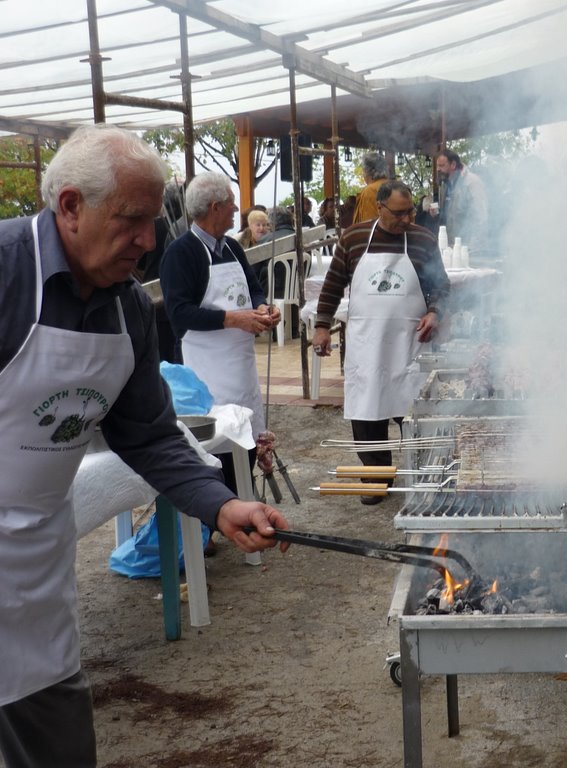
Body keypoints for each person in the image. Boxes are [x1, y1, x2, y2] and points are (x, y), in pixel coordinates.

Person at [0, 124, 289, 768]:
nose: (150, 241)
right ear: (70, 206)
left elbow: (150, 434)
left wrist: (218, 504)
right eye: (131, 220)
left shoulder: (129, 308)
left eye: (154, 221)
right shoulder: (5, 271)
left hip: (31, 574)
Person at [312, 181, 450, 504]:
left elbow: (441, 287)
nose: (406, 219)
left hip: (410, 343)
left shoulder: (423, 240)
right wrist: (321, 326)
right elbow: (332, 285)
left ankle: (423, 476)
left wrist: (435, 313)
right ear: (380, 208)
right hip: (366, 344)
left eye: (410, 212)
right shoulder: (354, 238)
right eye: (399, 213)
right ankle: (376, 476)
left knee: (416, 412)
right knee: (367, 414)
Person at [159, 172, 282, 494]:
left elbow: (254, 289)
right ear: (215, 207)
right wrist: (234, 319)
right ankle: (212, 515)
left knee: (247, 430)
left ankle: (242, 497)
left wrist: (264, 306)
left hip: (239, 361)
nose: (235, 209)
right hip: (205, 364)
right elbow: (179, 313)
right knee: (215, 440)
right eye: (230, 203)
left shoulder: (231, 247)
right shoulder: (180, 252)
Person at [436, 148, 488, 259]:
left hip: (470, 250)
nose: (438, 169)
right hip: (452, 249)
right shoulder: (445, 185)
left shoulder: (472, 182)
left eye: (441, 166)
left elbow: (481, 217)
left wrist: (472, 248)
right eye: (437, 166)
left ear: (453, 164)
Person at [352, 152, 390, 224]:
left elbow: (368, 226)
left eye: (363, 170)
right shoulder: (394, 185)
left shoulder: (370, 191)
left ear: (367, 171)